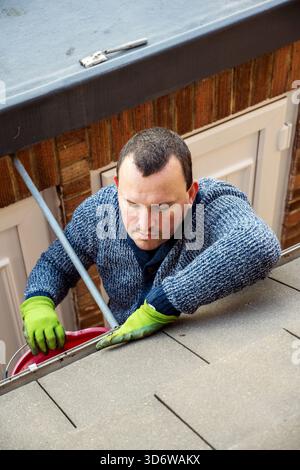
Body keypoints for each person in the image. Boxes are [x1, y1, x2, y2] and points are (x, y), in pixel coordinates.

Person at [19, 127, 281, 354]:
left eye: (163, 207)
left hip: (200, 344)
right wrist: (38, 302)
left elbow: (258, 245)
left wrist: (167, 301)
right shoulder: (103, 214)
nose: (145, 224)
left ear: (191, 194)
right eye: (132, 204)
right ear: (118, 186)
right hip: (125, 349)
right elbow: (57, 264)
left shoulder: (205, 208)